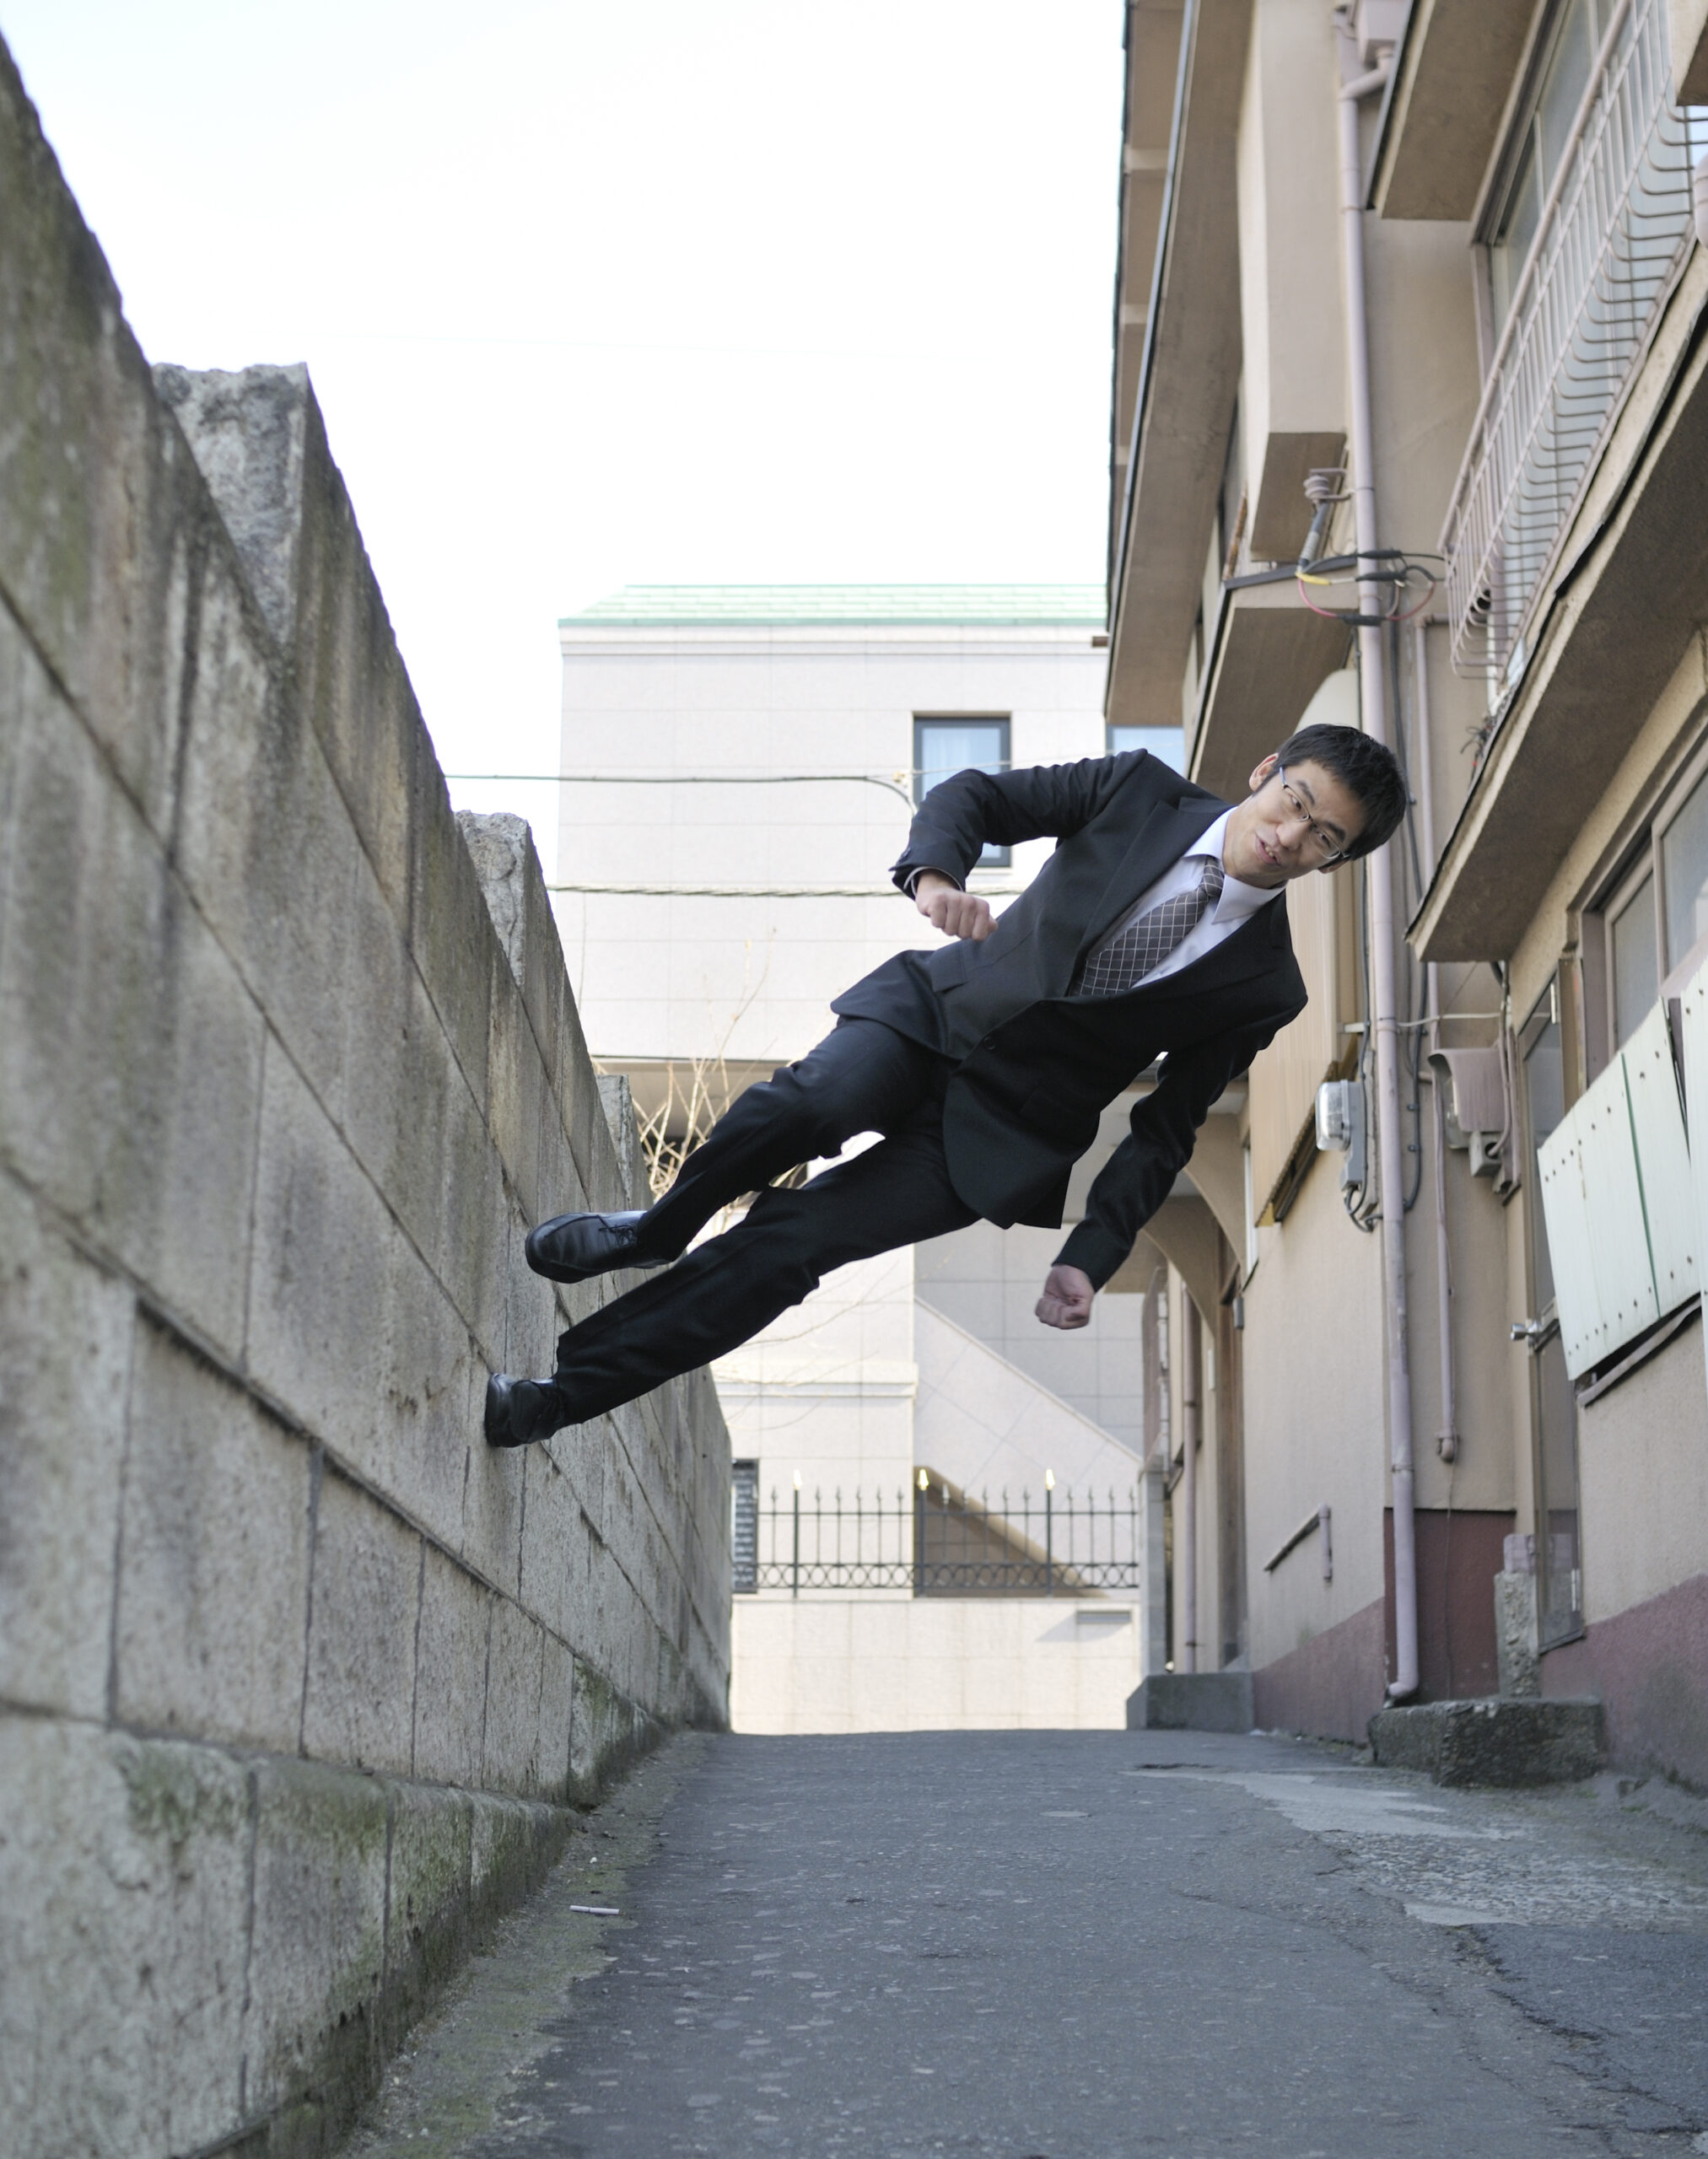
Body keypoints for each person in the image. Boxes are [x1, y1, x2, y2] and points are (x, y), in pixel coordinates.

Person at [482, 723, 1406, 1446]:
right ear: (1266, 771)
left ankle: (560, 1398)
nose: (1289, 836)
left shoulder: (1267, 986)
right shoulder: (1137, 788)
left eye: (1323, 838)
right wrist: (935, 877)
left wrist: (1090, 1255)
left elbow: (1168, 1127)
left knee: (790, 1247)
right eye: (1294, 801)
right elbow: (976, 794)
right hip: (933, 1019)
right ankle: (656, 1228)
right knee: (810, 1104)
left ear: (1335, 859)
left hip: (1001, 1136)